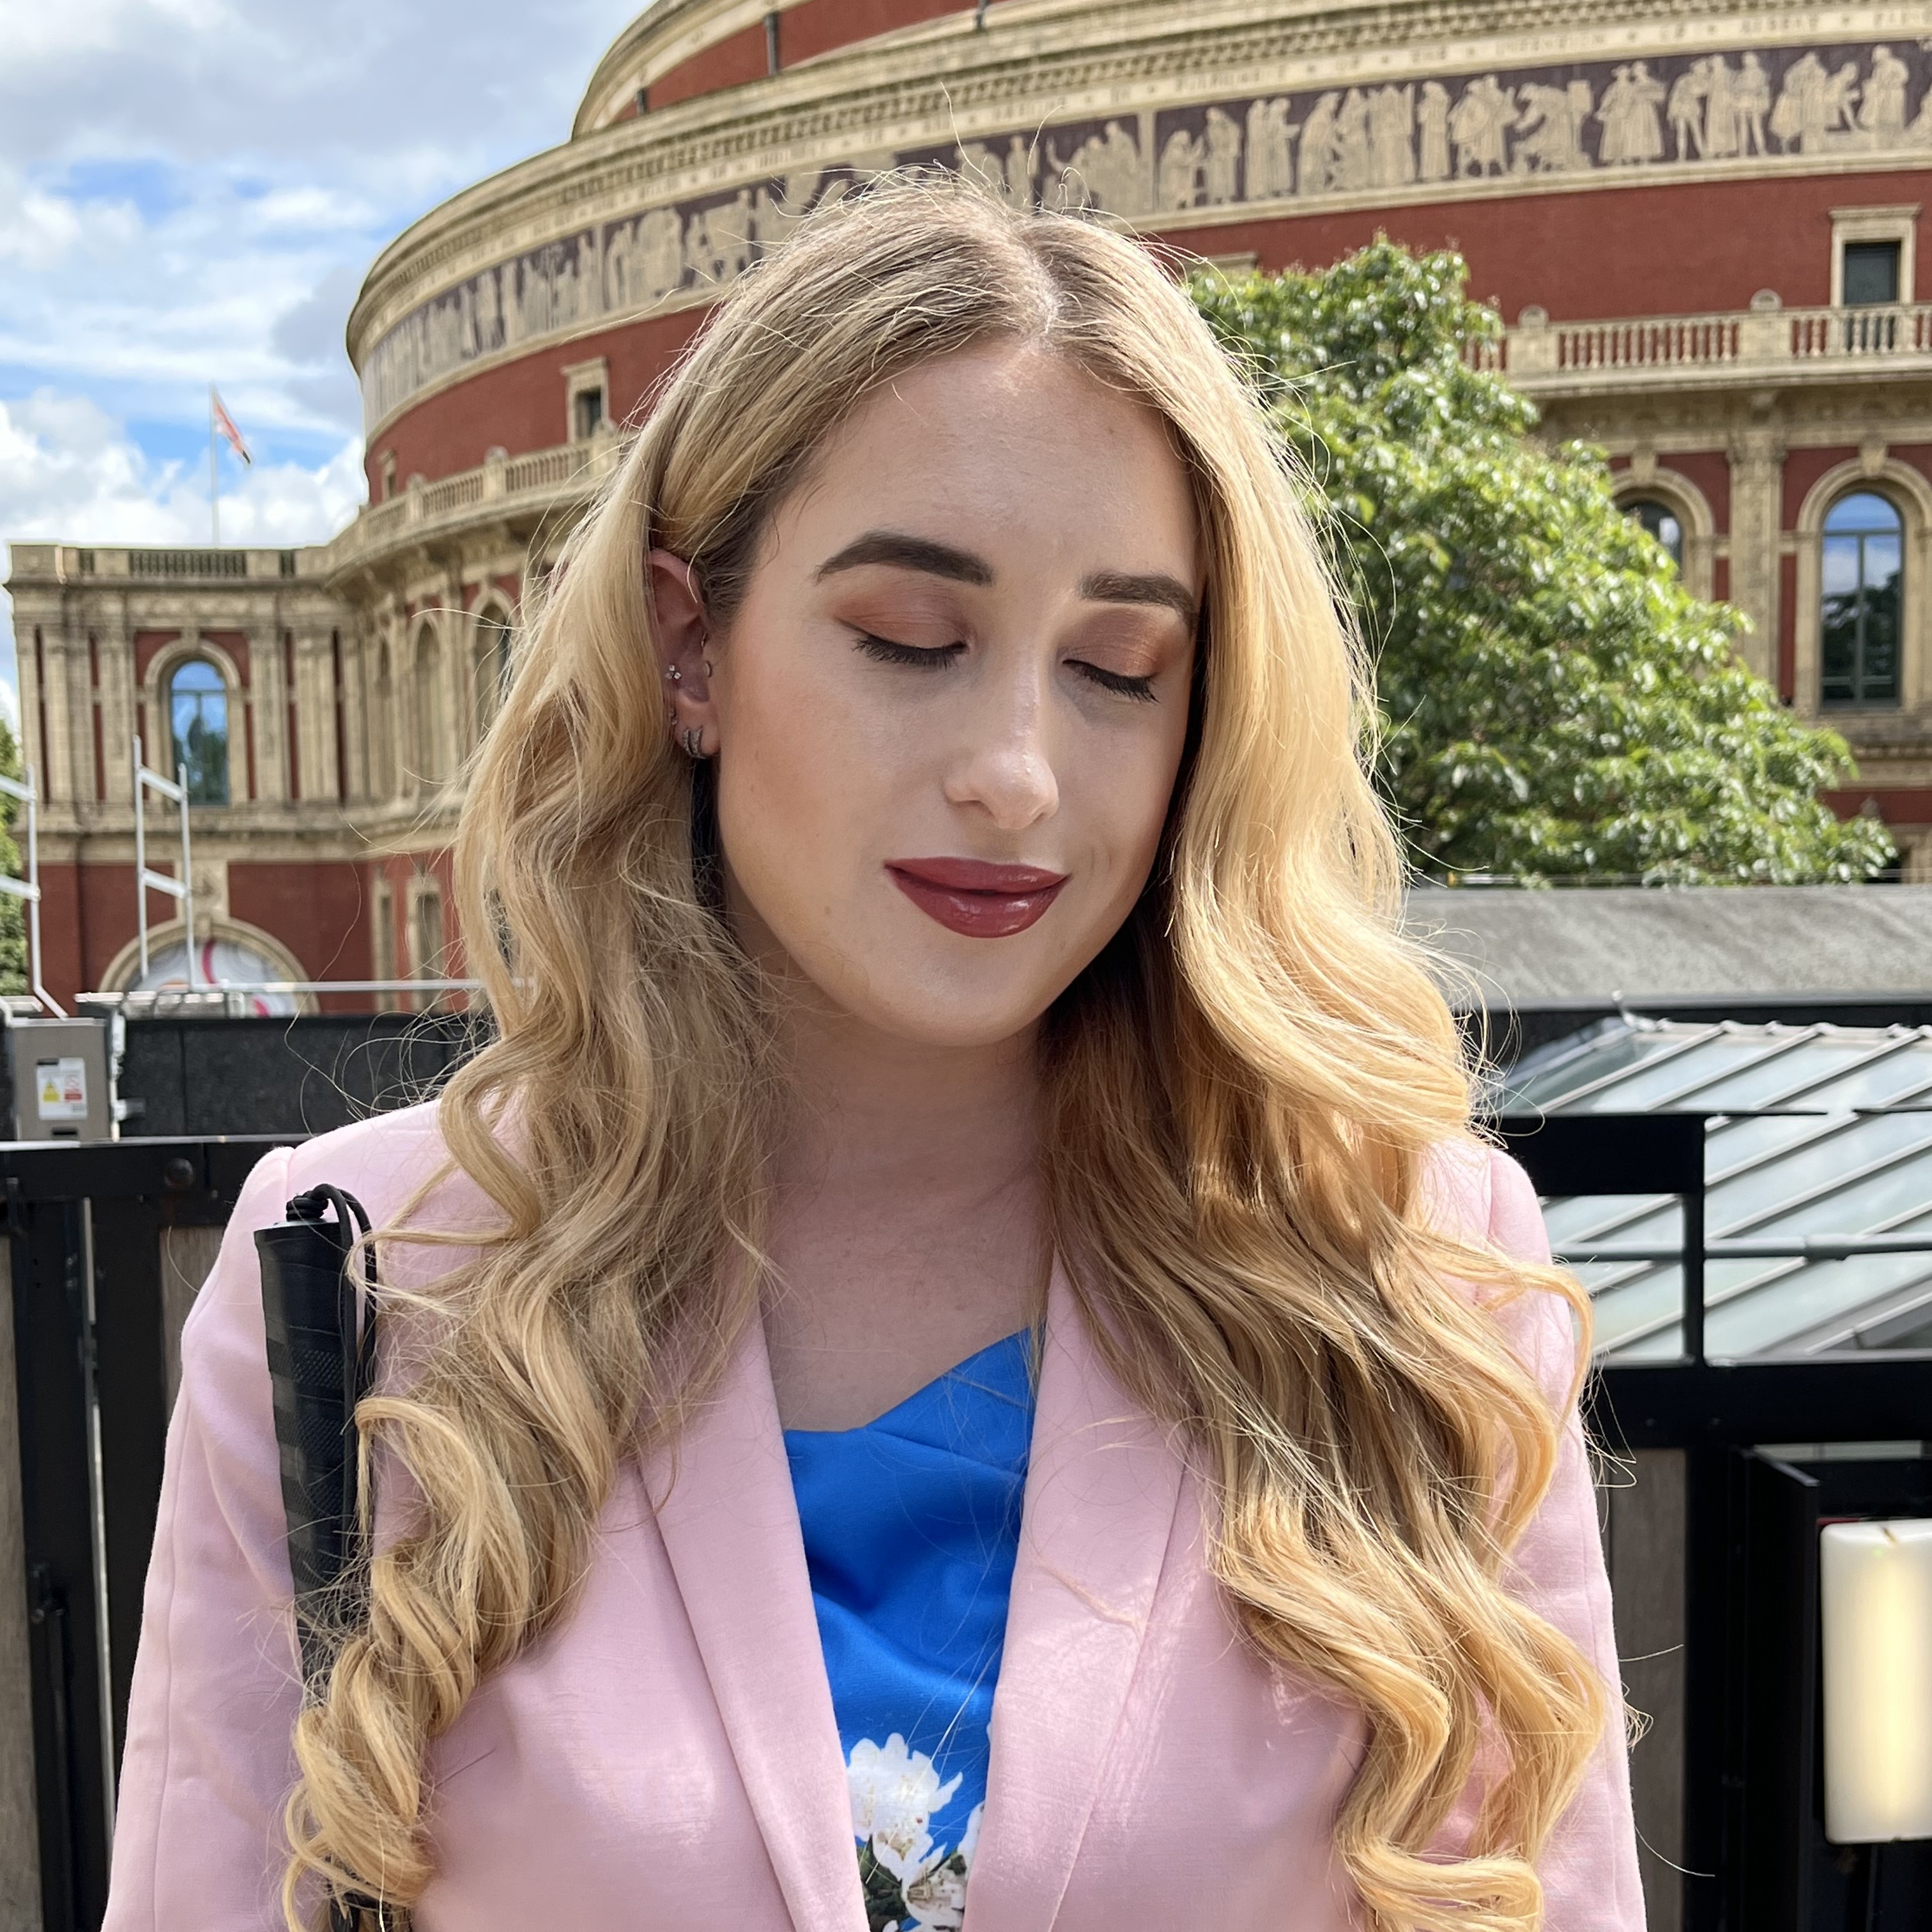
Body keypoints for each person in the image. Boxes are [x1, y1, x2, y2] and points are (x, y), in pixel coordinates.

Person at [104, 181, 1644, 1932]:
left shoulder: (1416, 1275)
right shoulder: (364, 1278)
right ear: (692, 647)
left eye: (1120, 669)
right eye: (913, 640)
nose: (1018, 771)